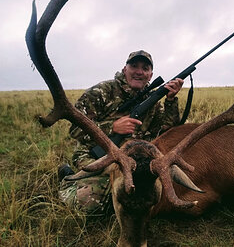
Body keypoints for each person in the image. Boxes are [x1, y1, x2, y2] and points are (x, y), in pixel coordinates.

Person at [58, 50, 184, 216]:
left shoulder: (152, 102)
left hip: (134, 159)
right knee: (92, 203)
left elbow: (168, 131)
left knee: (140, 189)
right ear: (125, 69)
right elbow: (75, 129)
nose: (139, 71)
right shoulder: (101, 92)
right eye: (134, 66)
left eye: (145, 68)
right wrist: (112, 127)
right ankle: (67, 179)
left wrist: (170, 100)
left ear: (150, 75)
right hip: (94, 154)